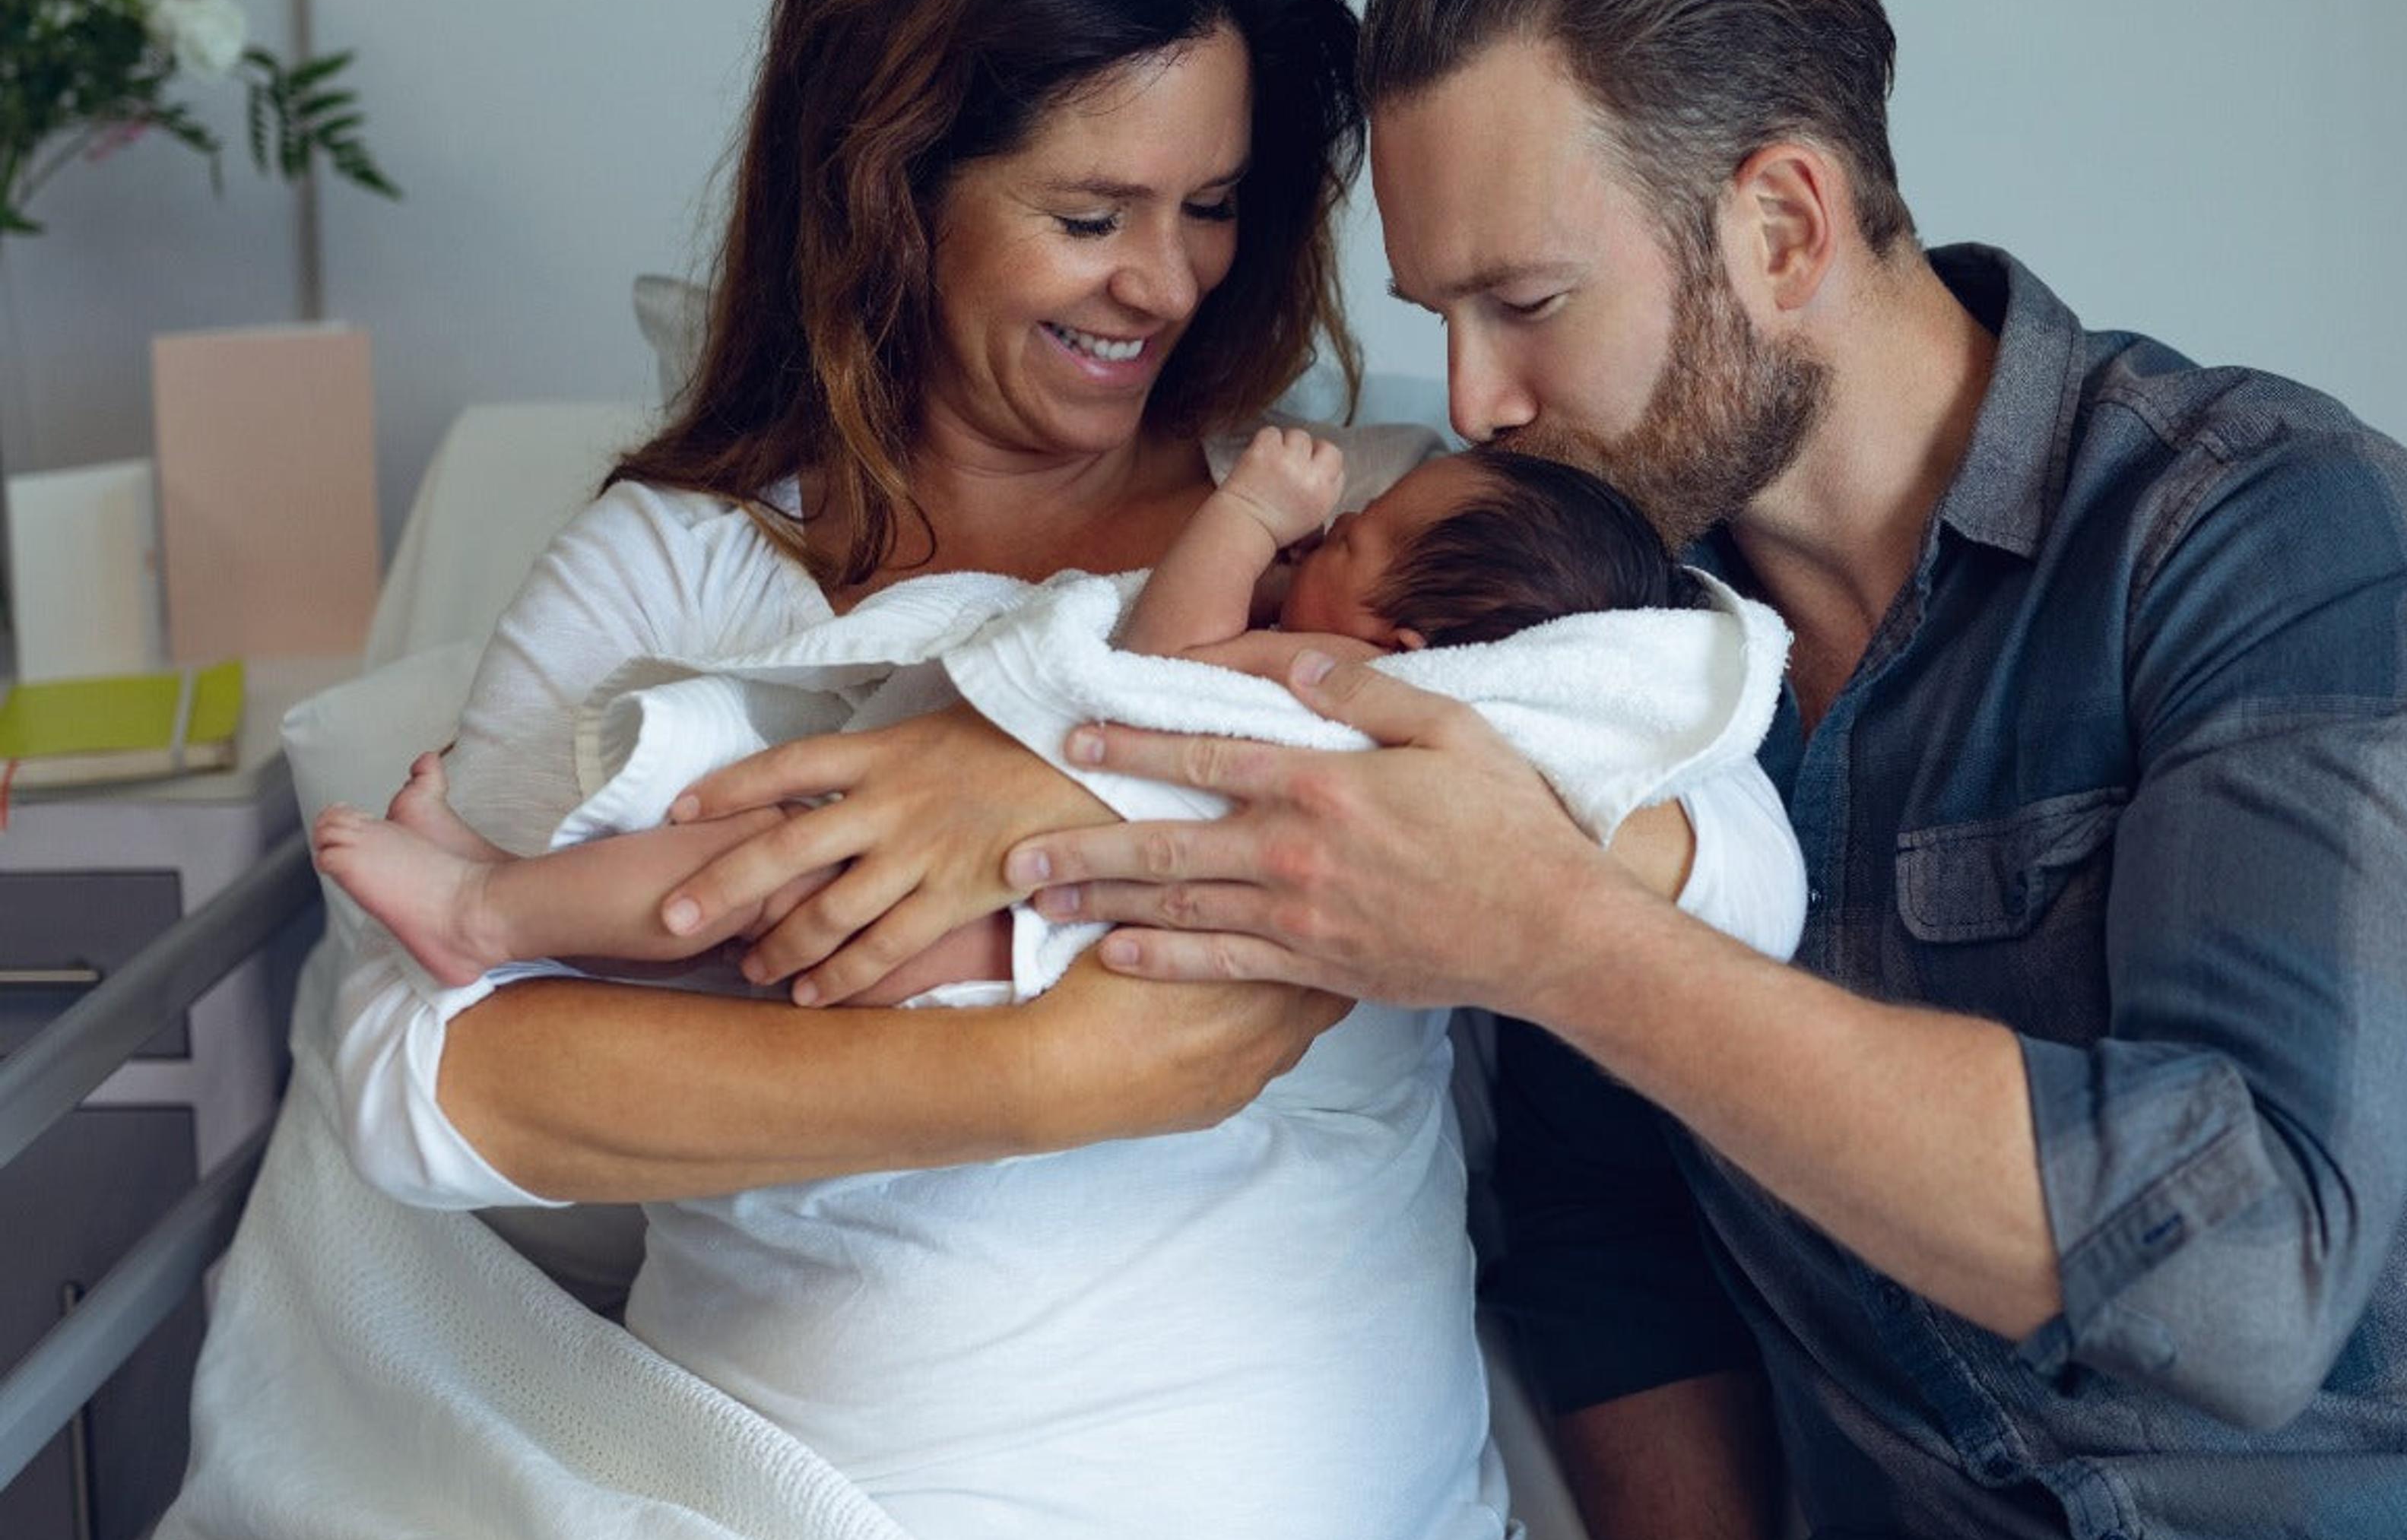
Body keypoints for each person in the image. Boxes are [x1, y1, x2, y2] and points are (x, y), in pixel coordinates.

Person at [664, 0, 2407, 1540]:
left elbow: (2245, 1281)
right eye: (1442, 321)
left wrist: (1567, 942)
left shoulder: (2272, 535)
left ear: (1785, 222)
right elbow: (1606, 1255)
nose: (1482, 404)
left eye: (1528, 305)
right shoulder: (1552, 637)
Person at [151, 0, 1788, 1540]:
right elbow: (415, 1076)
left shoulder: (1368, 522)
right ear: (894, 185)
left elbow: (1722, 839)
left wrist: (1066, 790)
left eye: (1217, 206)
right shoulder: (682, 563)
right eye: (1091, 211)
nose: (1164, 282)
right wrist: (1042, 1074)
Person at [305, 429, 1711, 1003]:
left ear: (1394, 639)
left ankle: (485, 918)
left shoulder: (1331, 693)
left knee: (737, 871)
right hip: (1028, 902)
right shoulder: (1383, 689)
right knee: (743, 871)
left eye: (1364, 534)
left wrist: (1247, 514)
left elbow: (1159, 652)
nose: (1333, 520)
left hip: (1028, 928)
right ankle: (498, 892)